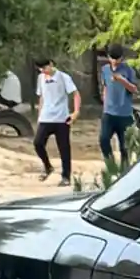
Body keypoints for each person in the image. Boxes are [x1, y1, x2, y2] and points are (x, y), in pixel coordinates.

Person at [33, 57, 81, 185]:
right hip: (46, 117)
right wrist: (39, 115)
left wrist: (76, 112)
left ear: (51, 64)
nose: (43, 71)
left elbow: (75, 94)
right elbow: (41, 96)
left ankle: (66, 177)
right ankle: (47, 166)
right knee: (38, 143)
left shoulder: (63, 77)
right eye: (40, 69)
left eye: (44, 68)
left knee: (64, 148)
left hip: (61, 118)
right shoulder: (41, 78)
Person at [98, 46, 140, 168]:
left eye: (118, 59)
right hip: (109, 112)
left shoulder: (128, 70)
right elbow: (105, 86)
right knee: (104, 140)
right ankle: (111, 166)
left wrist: (122, 80)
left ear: (122, 58)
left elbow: (134, 89)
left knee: (125, 146)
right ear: (108, 57)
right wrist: (105, 102)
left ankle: (124, 169)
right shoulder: (105, 69)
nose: (115, 61)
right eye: (112, 58)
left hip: (124, 113)